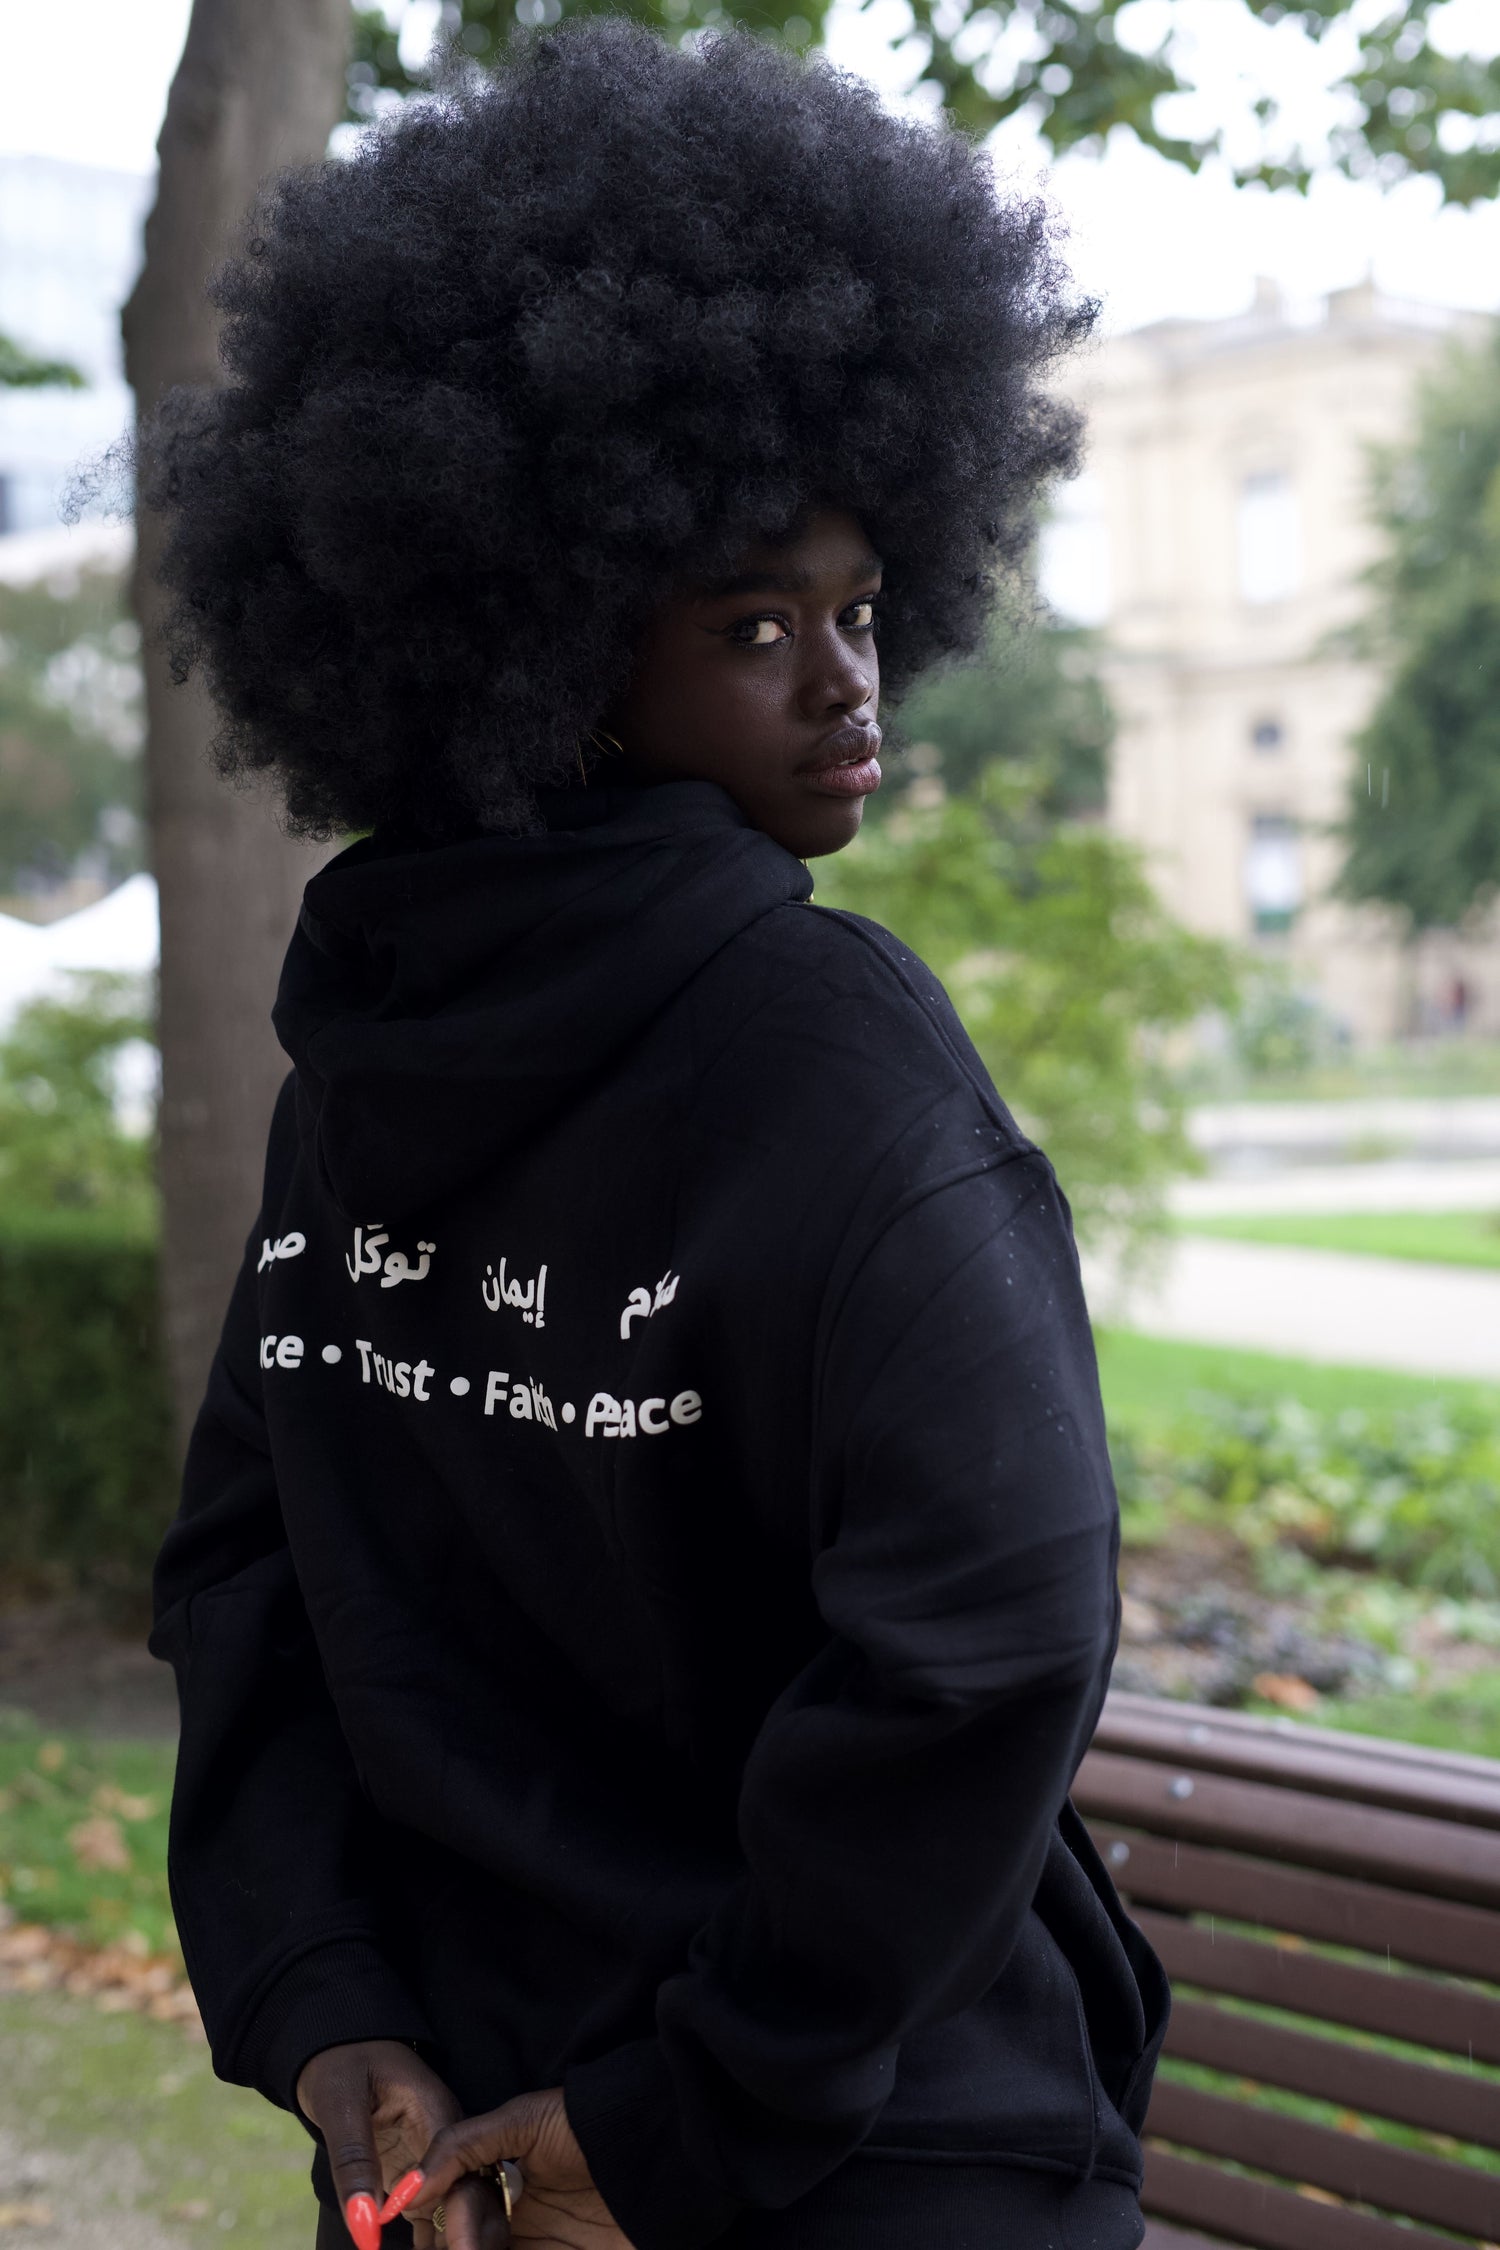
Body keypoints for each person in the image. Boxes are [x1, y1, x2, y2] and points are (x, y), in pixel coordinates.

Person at [146, 22, 1168, 2250]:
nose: (847, 686)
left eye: (864, 611)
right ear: (560, 655)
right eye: (755, 626)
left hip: (514, 2129)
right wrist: (673, 2108)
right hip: (851, 2161)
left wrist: (338, 2013)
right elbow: (993, 1635)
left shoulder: (368, 1056)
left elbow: (243, 1578)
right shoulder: (826, 1045)